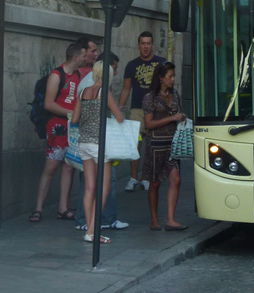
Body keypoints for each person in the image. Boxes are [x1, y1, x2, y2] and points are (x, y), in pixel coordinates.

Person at [74, 52, 130, 231]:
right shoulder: (103, 93)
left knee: (89, 187)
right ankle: (92, 229)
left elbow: (74, 119)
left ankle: (88, 227)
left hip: (83, 143)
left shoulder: (83, 92)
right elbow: (119, 117)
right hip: (100, 144)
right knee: (105, 187)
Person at [29, 43, 85, 222]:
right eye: (83, 56)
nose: (85, 59)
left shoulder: (77, 75)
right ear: (76, 57)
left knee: (69, 167)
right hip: (58, 126)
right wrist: (70, 114)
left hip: (72, 127)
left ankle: (63, 207)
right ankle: (38, 208)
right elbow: (49, 103)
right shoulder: (56, 75)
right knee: (51, 166)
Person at [142, 62, 188, 231]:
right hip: (155, 145)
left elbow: (178, 114)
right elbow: (149, 123)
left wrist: (181, 117)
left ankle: (170, 219)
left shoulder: (175, 94)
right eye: (170, 76)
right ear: (161, 78)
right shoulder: (150, 97)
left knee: (176, 179)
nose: (173, 79)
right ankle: (154, 219)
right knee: (155, 183)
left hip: (173, 144)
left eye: (173, 76)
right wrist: (171, 118)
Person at [119, 32, 166, 192]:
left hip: (155, 109)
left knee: (151, 145)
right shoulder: (131, 65)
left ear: (152, 45)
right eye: (143, 43)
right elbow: (126, 89)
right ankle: (133, 178)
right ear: (138, 45)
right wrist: (119, 108)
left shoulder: (161, 63)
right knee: (135, 144)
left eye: (148, 43)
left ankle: (147, 177)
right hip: (137, 109)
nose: (145, 46)